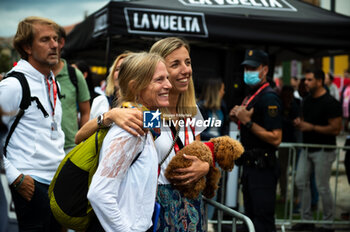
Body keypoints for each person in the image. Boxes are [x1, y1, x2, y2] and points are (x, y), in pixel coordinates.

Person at [75, 37, 209, 231]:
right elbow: (85, 141)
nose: (185, 70)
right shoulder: (146, 116)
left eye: (188, 62)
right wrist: (110, 115)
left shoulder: (190, 110)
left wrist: (204, 166)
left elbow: (199, 150)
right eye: (175, 64)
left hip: (186, 205)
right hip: (156, 205)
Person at [87, 52, 172, 232]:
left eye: (167, 78)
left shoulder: (142, 123)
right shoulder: (129, 132)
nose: (168, 85)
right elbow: (99, 193)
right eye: (159, 80)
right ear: (135, 87)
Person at [0, 16, 65, 231]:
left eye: (55, 39)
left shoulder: (51, 80)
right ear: (27, 46)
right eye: (45, 39)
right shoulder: (13, 85)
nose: (54, 45)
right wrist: (15, 177)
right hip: (27, 186)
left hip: (55, 186)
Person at [229, 49, 282, 232]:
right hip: (251, 166)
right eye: (246, 68)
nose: (248, 72)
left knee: (262, 220)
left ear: (265, 70)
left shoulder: (269, 97)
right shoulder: (252, 94)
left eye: (253, 68)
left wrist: (248, 122)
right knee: (250, 219)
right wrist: (238, 118)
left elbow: (276, 138)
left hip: (263, 168)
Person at [293, 69, 342, 232]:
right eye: (305, 79)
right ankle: (307, 220)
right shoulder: (306, 101)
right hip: (307, 148)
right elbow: (307, 122)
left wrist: (311, 127)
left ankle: (328, 224)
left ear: (319, 81)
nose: (305, 82)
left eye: (309, 79)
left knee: (322, 186)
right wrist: (300, 122)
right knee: (300, 181)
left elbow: (336, 129)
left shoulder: (331, 102)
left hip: (324, 149)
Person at [52, 26, 90, 153]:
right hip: (41, 148)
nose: (51, 45)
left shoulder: (74, 75)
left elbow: (85, 112)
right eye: (45, 40)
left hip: (70, 146)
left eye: (54, 39)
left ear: (61, 42)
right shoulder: (35, 76)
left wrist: (81, 140)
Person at [89, 52, 131, 119]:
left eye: (125, 70)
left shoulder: (145, 104)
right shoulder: (100, 101)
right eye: (117, 69)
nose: (120, 74)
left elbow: (150, 128)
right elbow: (88, 129)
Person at [277, 85, 300, 203]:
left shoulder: (296, 104)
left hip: (293, 141)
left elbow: (297, 121)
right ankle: (284, 195)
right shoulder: (279, 104)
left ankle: (296, 196)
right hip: (282, 142)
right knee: (282, 170)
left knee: (295, 171)